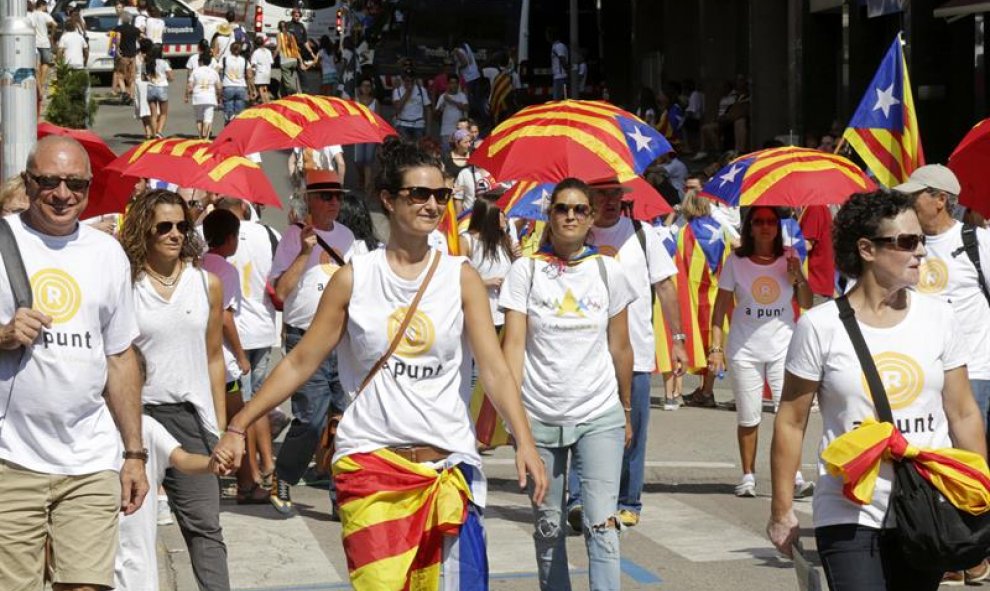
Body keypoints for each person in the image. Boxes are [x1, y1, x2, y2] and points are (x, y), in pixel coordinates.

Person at [211, 138, 546, 589]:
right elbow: (301, 361)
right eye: (419, 194)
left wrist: (524, 440)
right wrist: (239, 426)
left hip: (448, 470)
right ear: (388, 199)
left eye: (441, 196)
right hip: (372, 469)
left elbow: (495, 368)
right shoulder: (355, 278)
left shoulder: (460, 276)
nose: (432, 205)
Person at [768, 190, 988, 591]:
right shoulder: (820, 326)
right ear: (866, 249)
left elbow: (963, 412)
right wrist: (783, 509)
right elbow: (791, 420)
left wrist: (978, 488)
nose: (920, 251)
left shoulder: (939, 317)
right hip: (849, 507)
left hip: (926, 505)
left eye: (920, 239)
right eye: (906, 242)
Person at [0, 135, 148, 590]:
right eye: (49, 182)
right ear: (28, 182)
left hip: (90, 457)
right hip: (10, 459)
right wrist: (3, 335)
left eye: (76, 185)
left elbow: (120, 358)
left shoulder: (107, 254)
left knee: (86, 586)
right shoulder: (5, 240)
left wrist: (135, 454)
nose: (63, 194)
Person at [500, 178, 633, 591]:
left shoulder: (607, 270)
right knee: (549, 527)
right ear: (550, 215)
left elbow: (622, 348)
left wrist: (625, 410)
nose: (570, 216)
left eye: (579, 209)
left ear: (591, 217)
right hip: (539, 418)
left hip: (599, 415)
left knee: (602, 526)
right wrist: (514, 422)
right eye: (562, 208)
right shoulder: (526, 270)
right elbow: (514, 349)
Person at [119, 189, 231, 591]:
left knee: (205, 527)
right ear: (143, 230)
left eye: (182, 226)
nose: (175, 234)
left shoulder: (207, 284)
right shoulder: (124, 283)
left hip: (191, 417)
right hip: (137, 418)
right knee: (131, 530)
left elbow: (215, 357)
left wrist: (219, 425)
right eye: (163, 226)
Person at [566, 178, 687, 528]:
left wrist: (677, 339)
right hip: (585, 351)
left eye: (616, 194)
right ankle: (578, 499)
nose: (611, 201)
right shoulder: (577, 236)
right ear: (588, 199)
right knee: (581, 427)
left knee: (632, 428)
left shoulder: (643, 234)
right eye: (602, 194)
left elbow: (664, 286)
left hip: (635, 350)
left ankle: (628, 500)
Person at [267, 170, 355, 515]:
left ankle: (340, 491)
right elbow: (281, 291)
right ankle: (284, 476)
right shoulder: (293, 237)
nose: (334, 202)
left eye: (338, 196)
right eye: (326, 196)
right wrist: (304, 253)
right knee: (312, 417)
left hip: (341, 337)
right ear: (309, 199)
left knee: (345, 420)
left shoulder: (348, 237)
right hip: (304, 336)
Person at [709, 206, 813, 498]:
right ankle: (748, 475)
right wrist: (716, 348)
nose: (766, 227)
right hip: (744, 349)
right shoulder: (735, 261)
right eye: (759, 222)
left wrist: (798, 277)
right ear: (750, 227)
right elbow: (720, 308)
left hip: (784, 348)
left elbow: (807, 301)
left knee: (788, 413)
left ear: (778, 227)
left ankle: (794, 475)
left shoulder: (790, 257)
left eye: (771, 222)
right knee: (748, 415)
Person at [897, 165, 990, 431]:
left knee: (969, 457)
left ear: (941, 200)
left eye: (916, 196)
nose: (909, 203)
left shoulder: (978, 242)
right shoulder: (905, 244)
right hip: (922, 370)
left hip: (974, 371)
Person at [213, 198, 280, 492]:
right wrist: (240, 356)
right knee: (249, 410)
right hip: (244, 345)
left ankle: (252, 474)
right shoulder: (267, 235)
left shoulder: (202, 259)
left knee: (240, 411)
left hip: (226, 350)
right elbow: (225, 315)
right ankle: (257, 472)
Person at [458, 191, 514, 330]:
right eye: (502, 212)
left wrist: (516, 257)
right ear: (490, 215)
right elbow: (456, 280)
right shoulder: (466, 241)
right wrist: (485, 283)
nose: (506, 218)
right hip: (477, 316)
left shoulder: (504, 239)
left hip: (504, 314)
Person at [798, 204, 835, 300]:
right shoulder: (816, 207)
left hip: (814, 284)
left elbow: (807, 245)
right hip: (818, 284)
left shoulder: (815, 207)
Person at [186, 48, 222, 139]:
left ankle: (200, 136)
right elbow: (219, 87)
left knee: (199, 119)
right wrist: (219, 96)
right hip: (210, 98)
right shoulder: (214, 72)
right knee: (208, 119)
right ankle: (205, 137)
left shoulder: (195, 71)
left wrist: (188, 94)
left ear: (200, 61)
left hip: (197, 97)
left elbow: (189, 85)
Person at [353, 77, 378, 194]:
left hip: (371, 135)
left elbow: (378, 120)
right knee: (358, 161)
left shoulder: (375, 102)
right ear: (360, 88)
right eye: (364, 86)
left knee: (368, 160)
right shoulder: (356, 100)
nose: (366, 88)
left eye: (368, 86)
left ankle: (367, 186)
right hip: (358, 134)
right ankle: (361, 178)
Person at [392, 69, 430, 141]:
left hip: (418, 124)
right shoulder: (397, 91)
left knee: (418, 150)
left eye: (412, 81)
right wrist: (407, 93)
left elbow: (428, 108)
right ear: (403, 80)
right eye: (407, 81)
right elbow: (397, 108)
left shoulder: (422, 90)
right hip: (402, 124)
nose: (410, 83)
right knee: (404, 149)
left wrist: (428, 128)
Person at [452, 39, 484, 122]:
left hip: (467, 76)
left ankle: (469, 115)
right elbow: (469, 59)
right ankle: (480, 115)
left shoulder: (457, 50)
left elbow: (465, 63)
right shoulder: (466, 46)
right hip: (474, 73)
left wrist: (459, 68)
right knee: (475, 97)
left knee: (467, 96)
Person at [30, 0, 56, 99]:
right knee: (46, 63)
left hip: (34, 43)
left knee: (38, 65)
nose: (46, 8)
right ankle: (41, 83)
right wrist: (51, 35)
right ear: (42, 5)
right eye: (46, 6)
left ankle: (38, 86)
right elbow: (55, 24)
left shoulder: (31, 15)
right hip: (44, 42)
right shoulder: (44, 15)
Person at [145, 43, 172, 138]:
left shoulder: (148, 62)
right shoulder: (164, 63)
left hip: (151, 88)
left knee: (153, 114)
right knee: (164, 113)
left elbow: (143, 77)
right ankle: (159, 132)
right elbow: (171, 77)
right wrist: (168, 78)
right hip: (161, 88)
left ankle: (153, 133)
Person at [221, 41, 252, 123]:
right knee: (240, 113)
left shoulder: (225, 59)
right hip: (241, 87)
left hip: (228, 86)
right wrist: (252, 89)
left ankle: (228, 127)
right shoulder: (245, 61)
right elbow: (249, 76)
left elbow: (217, 69)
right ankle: (238, 129)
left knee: (228, 112)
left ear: (230, 49)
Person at [436, 74, 469, 151]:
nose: (453, 85)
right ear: (448, 84)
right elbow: (436, 115)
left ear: (458, 84)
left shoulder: (462, 96)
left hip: (459, 131)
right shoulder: (443, 97)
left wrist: (451, 101)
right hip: (446, 131)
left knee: (458, 155)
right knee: (446, 155)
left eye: (455, 83)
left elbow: (466, 108)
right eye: (451, 83)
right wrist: (442, 106)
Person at [113, 11, 141, 103]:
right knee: (132, 77)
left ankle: (124, 92)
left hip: (123, 55)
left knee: (120, 75)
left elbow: (118, 39)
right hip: (133, 55)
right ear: (130, 19)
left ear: (122, 19)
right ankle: (132, 97)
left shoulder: (119, 28)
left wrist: (117, 49)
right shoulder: (135, 29)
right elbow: (141, 38)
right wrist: (139, 50)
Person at [276, 21, 303, 96]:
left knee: (288, 83)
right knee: (288, 77)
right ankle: (282, 94)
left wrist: (272, 57)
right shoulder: (291, 35)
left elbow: (278, 48)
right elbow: (296, 49)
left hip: (285, 61)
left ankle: (293, 94)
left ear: (279, 28)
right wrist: (300, 61)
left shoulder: (279, 35)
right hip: (294, 60)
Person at [250, 35, 274, 103]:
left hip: (260, 73)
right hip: (267, 72)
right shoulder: (268, 51)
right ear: (263, 43)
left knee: (260, 89)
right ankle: (267, 102)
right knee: (265, 89)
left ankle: (265, 103)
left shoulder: (256, 52)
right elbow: (271, 62)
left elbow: (253, 64)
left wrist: (252, 72)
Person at [547, 27, 568, 100]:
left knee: (557, 100)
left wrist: (567, 71)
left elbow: (562, 59)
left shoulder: (559, 46)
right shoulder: (555, 46)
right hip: (558, 77)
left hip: (560, 77)